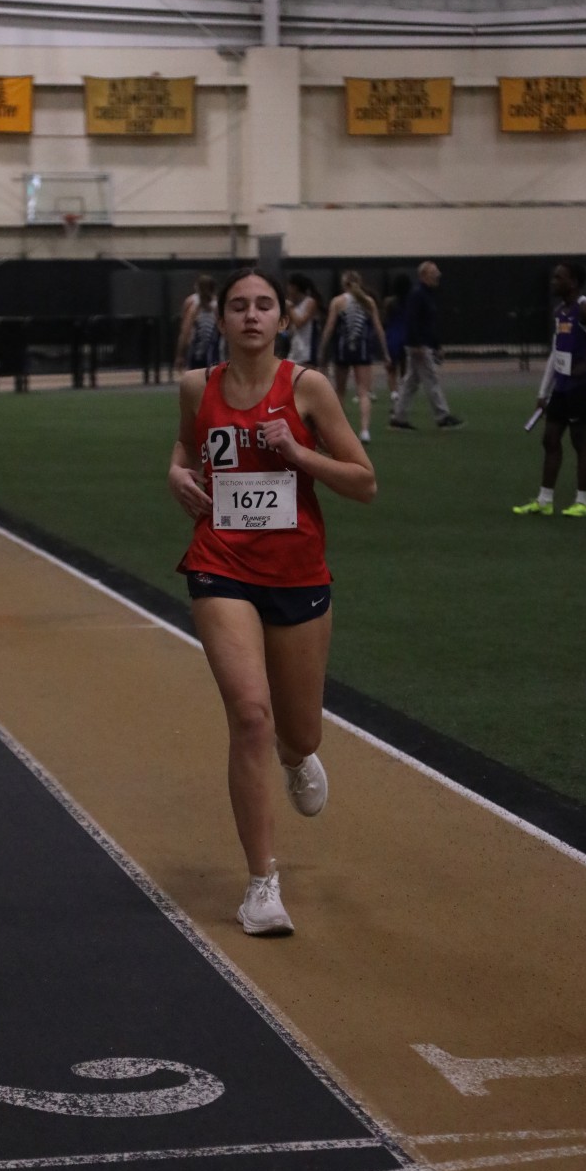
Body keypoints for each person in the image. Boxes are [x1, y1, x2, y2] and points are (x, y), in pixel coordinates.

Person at [168, 267, 376, 936]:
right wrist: (175, 472)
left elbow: (364, 482)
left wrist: (298, 454)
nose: (251, 315)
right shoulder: (196, 386)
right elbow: (187, 444)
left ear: (283, 320)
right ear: (221, 319)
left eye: (264, 306)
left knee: (298, 730)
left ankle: (297, 756)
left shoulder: (307, 388)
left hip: (297, 573)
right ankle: (262, 884)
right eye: (239, 306)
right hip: (220, 565)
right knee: (250, 715)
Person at [513, 262, 586, 518]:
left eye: (558, 278)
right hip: (561, 386)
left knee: (579, 440)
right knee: (550, 439)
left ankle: (582, 502)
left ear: (573, 282)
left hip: (579, 386)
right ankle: (544, 500)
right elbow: (555, 353)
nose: (553, 282)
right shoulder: (561, 311)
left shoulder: (584, 307)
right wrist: (543, 392)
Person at [388, 262, 463, 431]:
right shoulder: (418, 295)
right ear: (423, 276)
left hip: (421, 344)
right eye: (433, 273)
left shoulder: (425, 295)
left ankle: (399, 417)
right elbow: (412, 321)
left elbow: (428, 324)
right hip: (419, 346)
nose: (438, 275)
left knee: (411, 382)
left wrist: (436, 345)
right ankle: (442, 416)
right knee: (430, 379)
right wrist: (417, 344)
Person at [318, 270, 390, 444]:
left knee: (340, 391)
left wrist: (322, 350)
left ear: (344, 284)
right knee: (364, 391)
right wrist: (385, 353)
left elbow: (329, 327)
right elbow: (378, 328)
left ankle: (340, 430)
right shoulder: (368, 301)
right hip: (362, 349)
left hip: (343, 349)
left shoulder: (338, 302)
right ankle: (364, 430)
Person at [175, 275, 220, 372]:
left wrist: (180, 355)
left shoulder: (192, 305)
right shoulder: (217, 306)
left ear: (197, 287)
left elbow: (185, 332)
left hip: (197, 351)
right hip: (211, 351)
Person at [383, 271, 412, 396]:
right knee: (404, 366)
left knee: (391, 368)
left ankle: (394, 393)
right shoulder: (411, 302)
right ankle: (403, 389)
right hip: (406, 335)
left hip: (393, 335)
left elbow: (385, 319)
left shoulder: (389, 302)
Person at [285, 273, 322, 366]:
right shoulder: (295, 304)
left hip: (306, 349)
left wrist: (290, 308)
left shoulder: (309, 302)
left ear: (294, 288)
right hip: (295, 347)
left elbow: (300, 323)